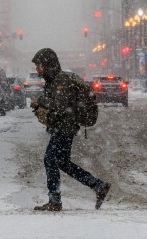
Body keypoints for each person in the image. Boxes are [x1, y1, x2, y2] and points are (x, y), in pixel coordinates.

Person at [30, 48, 111, 212]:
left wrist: (41, 101)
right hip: (62, 126)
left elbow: (60, 106)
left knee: (50, 159)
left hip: (64, 127)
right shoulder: (54, 80)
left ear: (48, 64)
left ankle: (55, 200)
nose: (37, 69)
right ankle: (98, 185)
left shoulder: (62, 81)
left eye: (39, 65)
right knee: (62, 162)